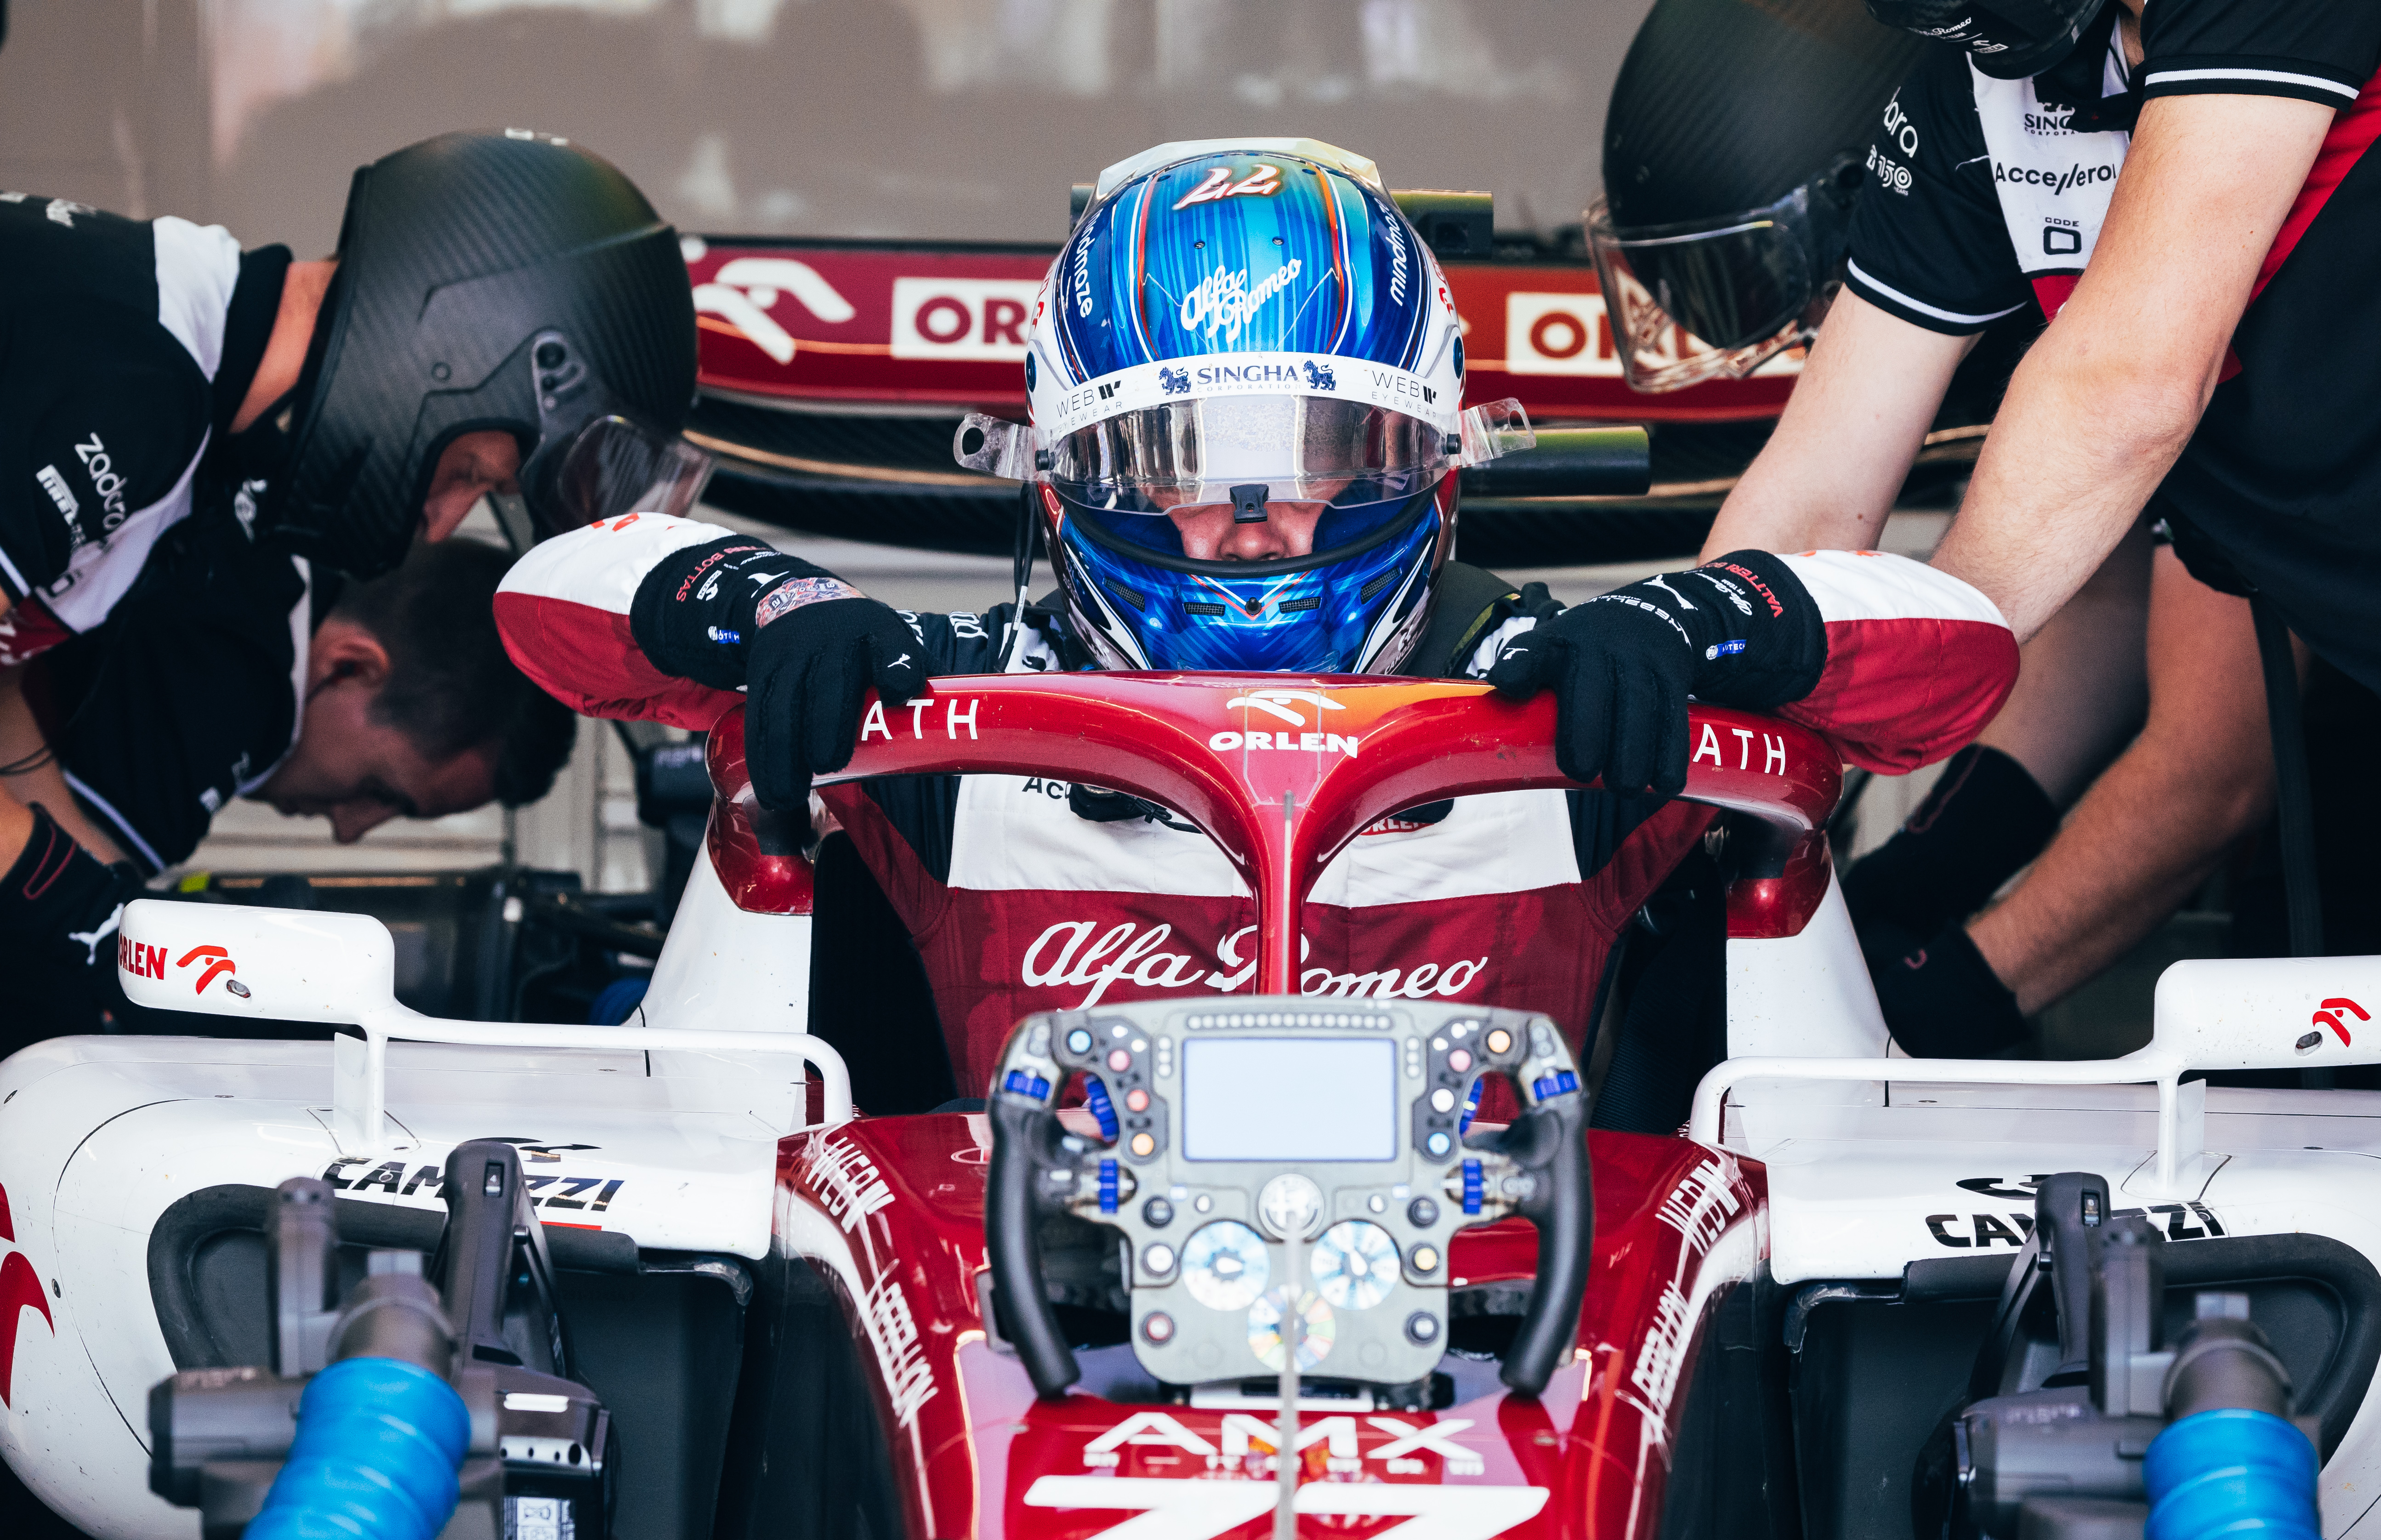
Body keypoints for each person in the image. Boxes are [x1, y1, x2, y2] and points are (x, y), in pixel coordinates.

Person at [494, 138, 2018, 1118]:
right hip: (1004, 1359)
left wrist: (1703, 623)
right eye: (1164, 462)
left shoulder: (1592, 718)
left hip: (1524, 1364)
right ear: (1059, 477)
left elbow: (1952, 651)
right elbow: (552, 595)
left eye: (1319, 456)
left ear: (1431, 462)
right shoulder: (916, 732)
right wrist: (767, 607)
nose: (1248, 523)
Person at [1589, 0, 2379, 1053]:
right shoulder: (1978, 96)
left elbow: (2128, 390)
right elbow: (1819, 497)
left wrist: (1960, 969)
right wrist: (1674, 806)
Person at [0, 127, 708, 1043]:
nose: (443, 523)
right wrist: (77, 913)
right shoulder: (137, 382)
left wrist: (118, 924)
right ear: (439, 354)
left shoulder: (194, 418)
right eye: (466, 472)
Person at [0, 534, 576, 1048]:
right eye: (379, 790)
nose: (348, 829)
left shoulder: (256, 562)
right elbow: (83, 931)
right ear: (351, 666)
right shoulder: (233, 685)